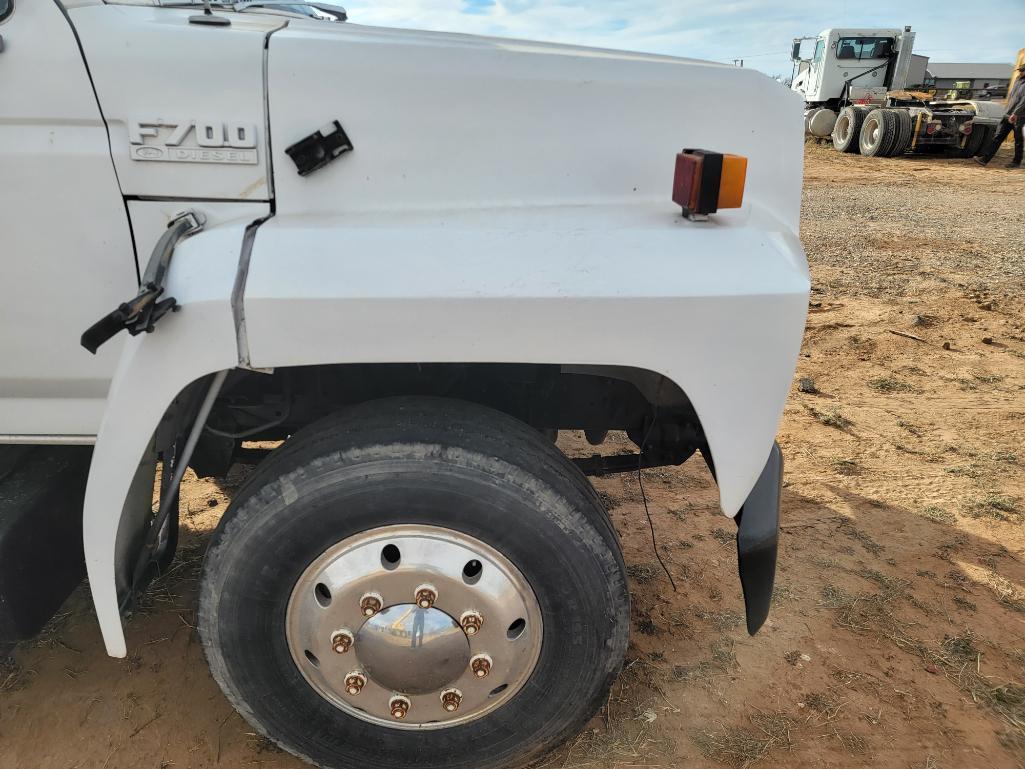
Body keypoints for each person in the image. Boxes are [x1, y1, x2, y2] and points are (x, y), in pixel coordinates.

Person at [975, 62, 1025, 169]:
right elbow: (1013, 97)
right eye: (1020, 70)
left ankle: (1016, 162)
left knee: (1018, 140)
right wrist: (1007, 111)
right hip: (1008, 114)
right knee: (998, 137)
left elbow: (1024, 102)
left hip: (1018, 116)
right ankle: (985, 159)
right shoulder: (1017, 81)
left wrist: (1015, 113)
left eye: (1022, 71)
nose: (1020, 72)